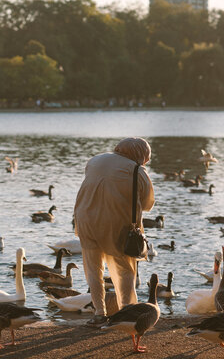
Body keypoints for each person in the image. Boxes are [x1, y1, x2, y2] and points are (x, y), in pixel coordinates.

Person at [74, 137, 155, 326]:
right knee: (124, 270)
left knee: (93, 269)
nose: (147, 161)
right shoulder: (137, 170)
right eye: (147, 156)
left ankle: (99, 313)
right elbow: (147, 204)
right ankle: (127, 311)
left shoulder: (94, 160)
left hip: (86, 219)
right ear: (140, 154)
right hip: (117, 224)